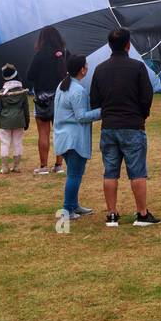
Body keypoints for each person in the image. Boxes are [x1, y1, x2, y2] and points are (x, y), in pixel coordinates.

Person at [89, 28, 158, 227]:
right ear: (128, 45)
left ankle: (111, 214)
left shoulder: (100, 69)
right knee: (137, 172)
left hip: (109, 126)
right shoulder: (137, 67)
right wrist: (141, 115)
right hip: (132, 125)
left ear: (110, 45)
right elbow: (146, 96)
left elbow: (95, 101)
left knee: (110, 172)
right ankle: (142, 214)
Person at [54, 54, 100, 220]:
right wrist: (103, 111)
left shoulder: (62, 85)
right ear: (82, 69)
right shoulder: (78, 90)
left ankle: (74, 205)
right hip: (74, 140)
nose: (88, 67)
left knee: (72, 174)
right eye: (86, 65)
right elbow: (81, 116)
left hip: (62, 137)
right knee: (74, 175)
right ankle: (67, 209)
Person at [25, 26, 67, 175]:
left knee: (43, 133)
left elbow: (30, 75)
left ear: (42, 39)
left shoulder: (40, 54)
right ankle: (59, 165)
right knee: (60, 132)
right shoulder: (63, 54)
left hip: (42, 99)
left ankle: (43, 167)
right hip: (60, 99)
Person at [0, 63, 31, 174]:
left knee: (4, 144)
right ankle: (16, 166)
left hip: (4, 122)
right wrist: (27, 121)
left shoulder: (2, 93)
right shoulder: (22, 92)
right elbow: (26, 109)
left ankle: (4, 167)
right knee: (18, 143)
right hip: (19, 121)